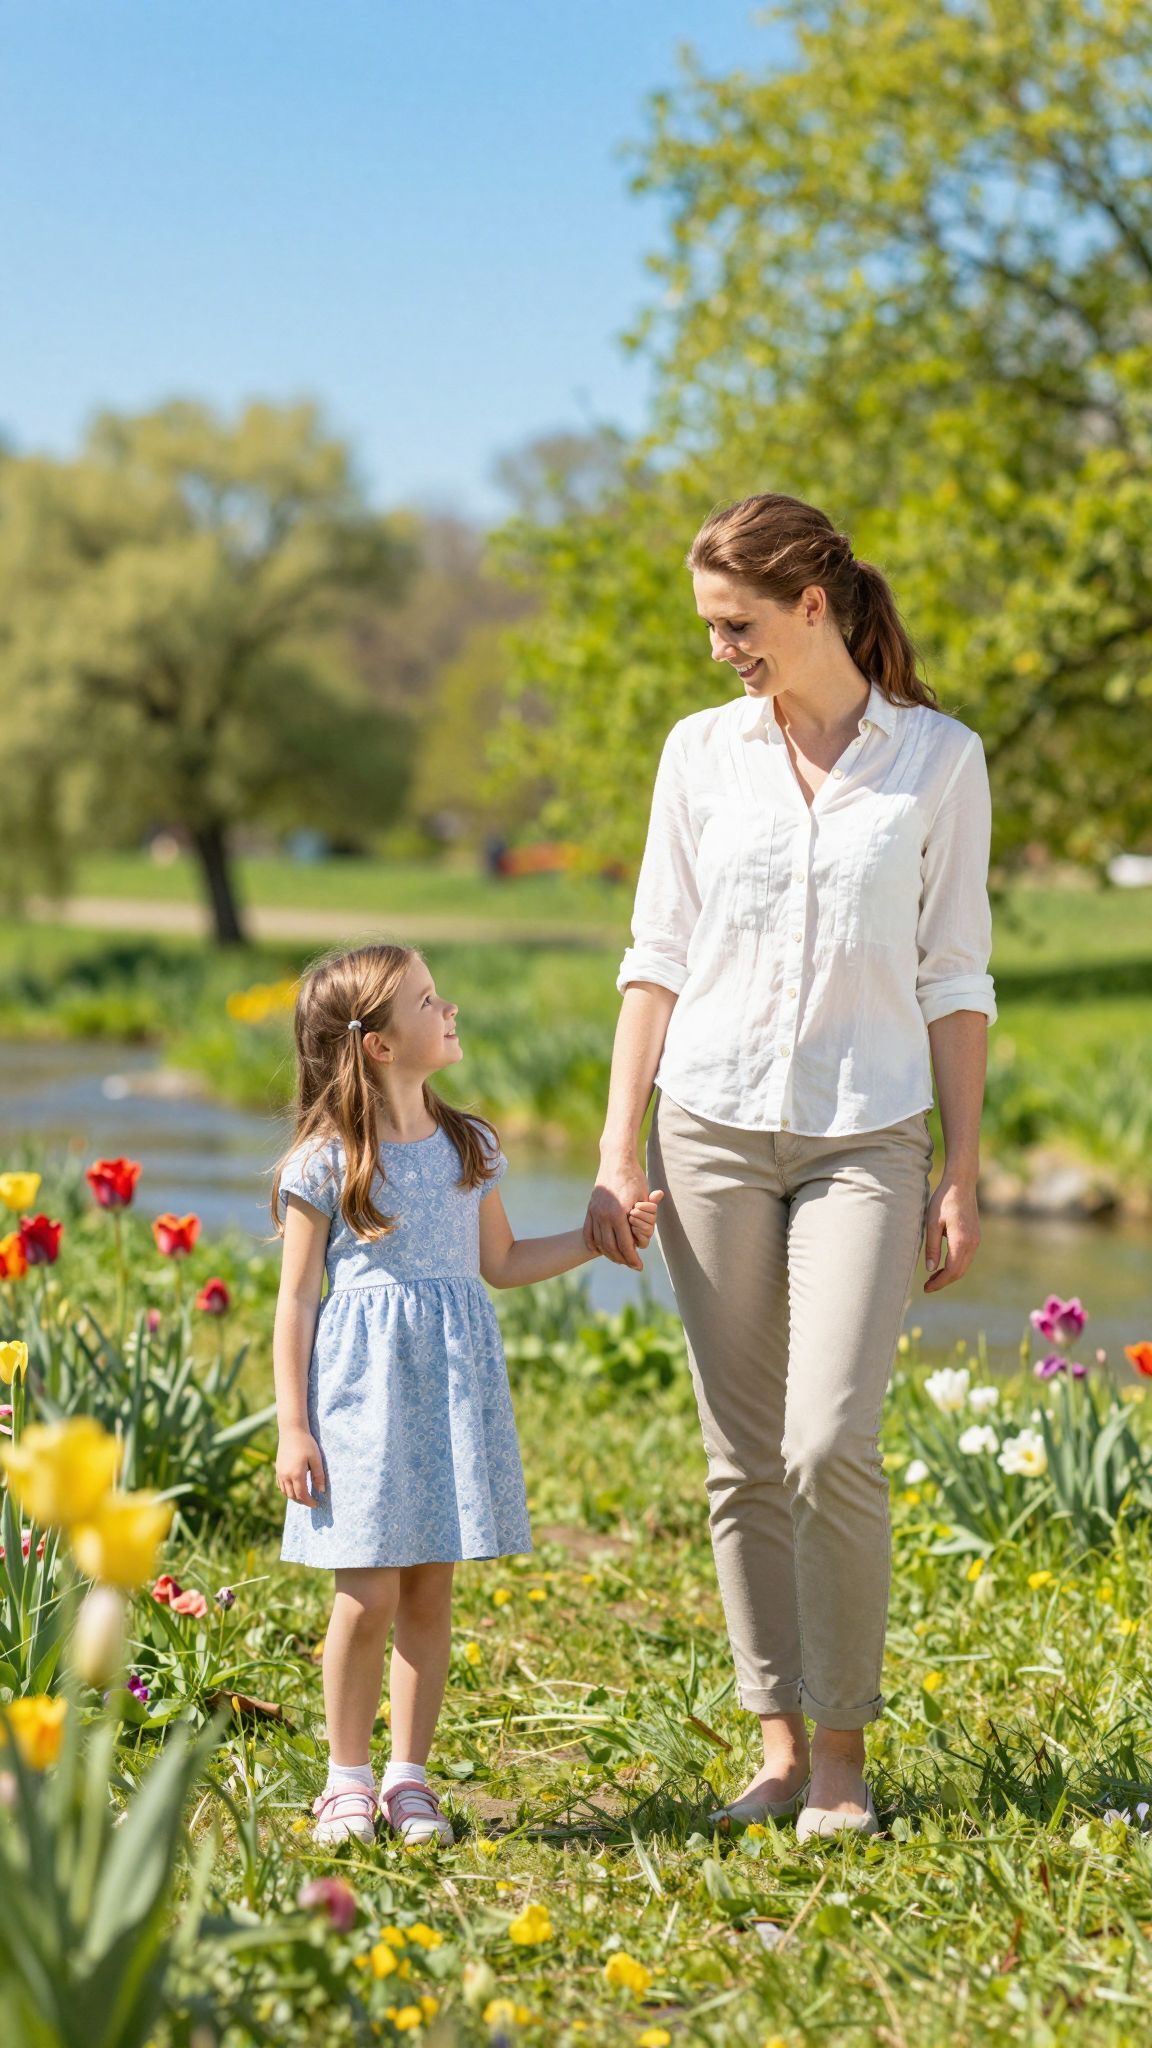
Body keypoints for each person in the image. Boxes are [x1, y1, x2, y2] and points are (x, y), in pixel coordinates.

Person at [584, 493, 996, 1842]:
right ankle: (773, 1748)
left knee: (829, 1441)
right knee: (743, 1453)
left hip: (867, 1131)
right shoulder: (699, 756)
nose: (722, 650)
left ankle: (841, 1758)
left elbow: (955, 975)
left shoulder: (937, 762)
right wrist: (612, 1146)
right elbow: (656, 956)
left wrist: (964, 1164)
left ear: (812, 605)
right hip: (706, 1122)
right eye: (715, 627)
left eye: (737, 624)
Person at [272, 941, 661, 1847]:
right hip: (364, 1403)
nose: (449, 1011)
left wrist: (595, 1237)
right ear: (377, 1043)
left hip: (447, 1395)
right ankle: (344, 1780)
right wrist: (295, 1425)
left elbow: (502, 1261)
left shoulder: (468, 1143)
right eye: (428, 1000)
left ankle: (409, 1779)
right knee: (365, 1593)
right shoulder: (327, 1163)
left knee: (429, 1593)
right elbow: (295, 1301)